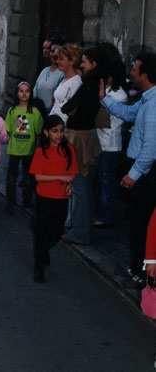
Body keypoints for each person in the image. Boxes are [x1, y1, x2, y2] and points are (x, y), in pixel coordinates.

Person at [100, 52, 156, 285]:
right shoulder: (146, 100)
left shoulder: (153, 105)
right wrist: (104, 98)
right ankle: (137, 268)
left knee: (142, 224)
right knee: (136, 222)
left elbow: (151, 148)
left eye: (135, 69)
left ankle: (142, 273)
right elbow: (128, 113)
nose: (131, 72)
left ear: (145, 75)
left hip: (145, 173)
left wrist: (133, 175)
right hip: (140, 170)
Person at [59, 47, 102, 246]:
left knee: (80, 187)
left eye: (84, 62)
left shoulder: (90, 84)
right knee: (81, 187)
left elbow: (69, 106)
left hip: (81, 138)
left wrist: (71, 108)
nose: (81, 65)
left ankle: (80, 232)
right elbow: (69, 107)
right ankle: (81, 229)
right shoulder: (90, 83)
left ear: (93, 64)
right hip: (83, 136)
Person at [30, 115, 78, 283]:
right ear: (46, 132)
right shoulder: (41, 151)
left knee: (57, 232)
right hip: (44, 197)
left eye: (61, 131)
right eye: (54, 131)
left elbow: (72, 172)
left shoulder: (69, 150)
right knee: (43, 233)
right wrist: (60, 178)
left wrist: (69, 183)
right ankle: (39, 268)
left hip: (61, 198)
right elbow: (38, 176)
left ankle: (43, 252)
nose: (59, 135)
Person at [95, 60, 127, 227]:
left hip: (110, 142)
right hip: (101, 141)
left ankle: (107, 214)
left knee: (107, 179)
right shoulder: (107, 91)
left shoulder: (119, 96)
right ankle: (101, 211)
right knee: (102, 177)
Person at [4, 81, 44, 215]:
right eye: (21, 91)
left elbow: (38, 132)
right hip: (15, 148)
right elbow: (8, 129)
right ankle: (10, 201)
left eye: (27, 91)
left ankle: (26, 200)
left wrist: (37, 147)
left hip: (29, 149)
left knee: (28, 176)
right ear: (17, 93)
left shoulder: (35, 112)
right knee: (12, 176)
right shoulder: (12, 111)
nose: (24, 93)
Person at [49, 43, 83, 123]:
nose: (57, 61)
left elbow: (69, 110)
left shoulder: (76, 81)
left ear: (72, 61)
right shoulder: (64, 80)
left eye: (61, 59)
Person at [33, 41, 65, 115]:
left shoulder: (62, 74)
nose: (54, 54)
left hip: (51, 114)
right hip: (37, 113)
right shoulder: (44, 71)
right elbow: (35, 92)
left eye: (57, 51)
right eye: (52, 51)